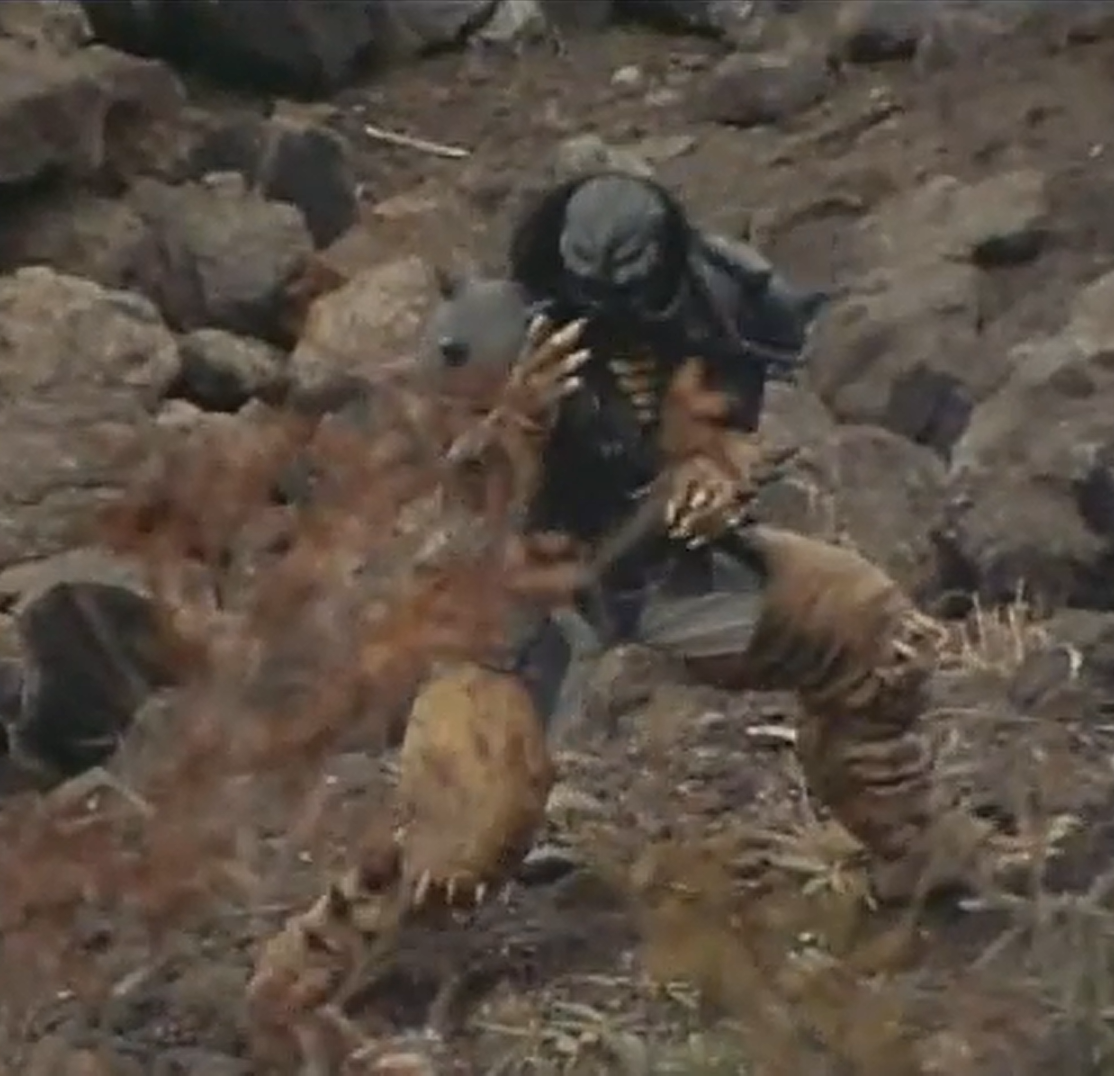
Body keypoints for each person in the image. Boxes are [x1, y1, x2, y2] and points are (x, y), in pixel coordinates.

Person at [415, 170, 1032, 904]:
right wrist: (518, 420)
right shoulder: (500, 329)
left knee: (864, 626)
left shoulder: (720, 303)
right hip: (528, 585)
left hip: (664, 564)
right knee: (467, 819)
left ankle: (918, 852)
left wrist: (717, 476)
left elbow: (737, 427)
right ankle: (391, 916)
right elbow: (462, 503)